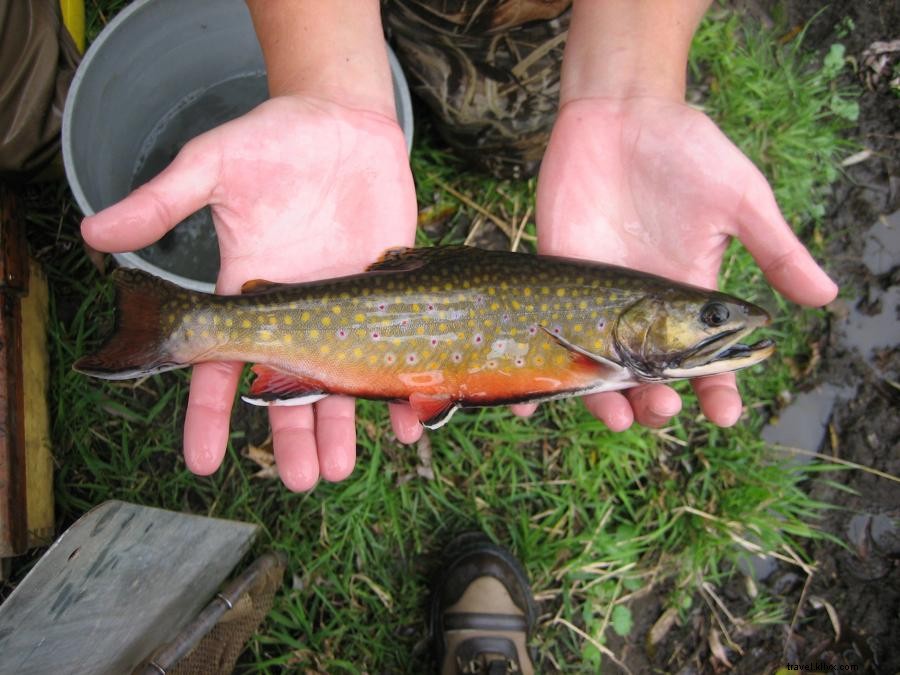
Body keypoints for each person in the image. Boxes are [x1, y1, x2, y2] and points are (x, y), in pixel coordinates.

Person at [80, 0, 838, 494]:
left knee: (502, 125)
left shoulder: (609, 337)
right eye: (707, 319)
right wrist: (321, 71)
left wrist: (635, 79)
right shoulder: (602, 344)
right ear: (650, 313)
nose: (720, 325)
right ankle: (179, 325)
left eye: (705, 319)